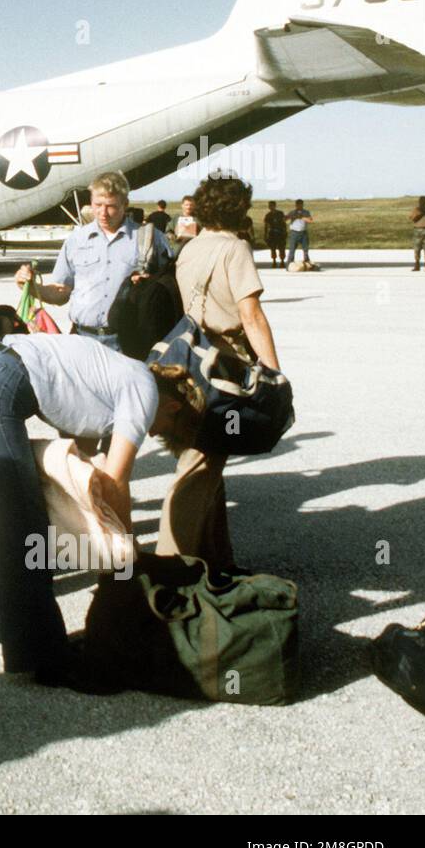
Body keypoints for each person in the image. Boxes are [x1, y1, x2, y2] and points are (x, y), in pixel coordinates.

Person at [0, 333, 203, 689]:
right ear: (173, 408)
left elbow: (81, 470)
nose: (153, 434)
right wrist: (127, 554)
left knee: (18, 519)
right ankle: (45, 658)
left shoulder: (115, 381)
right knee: (28, 530)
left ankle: (12, 630)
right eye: (164, 432)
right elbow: (115, 483)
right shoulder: (143, 390)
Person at [159, 173, 281, 570]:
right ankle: (169, 564)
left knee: (212, 461)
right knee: (199, 465)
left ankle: (217, 561)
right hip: (224, 366)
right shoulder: (235, 248)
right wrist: (274, 374)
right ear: (238, 209)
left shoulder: (190, 248)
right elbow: (252, 315)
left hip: (189, 364)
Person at [14, 170, 171, 353]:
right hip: (82, 341)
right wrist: (32, 287)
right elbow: (61, 292)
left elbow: (170, 292)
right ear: (91, 201)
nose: (103, 213)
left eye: (111, 206)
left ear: (125, 204)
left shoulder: (151, 239)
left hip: (130, 343)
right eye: (97, 205)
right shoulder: (76, 240)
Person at [287, 199, 313, 266]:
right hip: (294, 232)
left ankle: (307, 263)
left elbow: (310, 220)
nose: (299, 205)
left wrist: (302, 217)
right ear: (295, 205)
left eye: (300, 204)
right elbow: (285, 219)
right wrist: (292, 217)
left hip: (303, 232)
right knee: (292, 249)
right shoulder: (292, 212)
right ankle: (289, 264)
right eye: (297, 204)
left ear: (302, 204)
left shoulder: (306, 212)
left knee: (305, 249)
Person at [409, 196, 425, 272]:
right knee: (417, 248)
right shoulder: (416, 210)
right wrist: (420, 212)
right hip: (418, 230)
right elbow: (413, 219)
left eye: (424, 201)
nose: (422, 202)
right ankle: (417, 265)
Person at [263, 200, 287, 268]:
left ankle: (282, 261)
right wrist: (265, 235)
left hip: (280, 233)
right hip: (272, 234)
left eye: (272, 205)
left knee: (281, 248)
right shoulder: (268, 215)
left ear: (275, 206)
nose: (270, 207)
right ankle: (274, 261)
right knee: (273, 248)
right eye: (269, 206)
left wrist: (285, 233)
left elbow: (284, 223)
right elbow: (266, 226)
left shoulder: (280, 213)